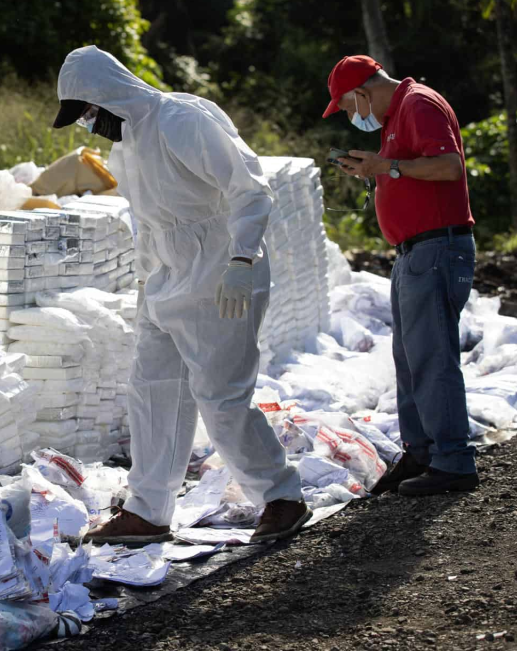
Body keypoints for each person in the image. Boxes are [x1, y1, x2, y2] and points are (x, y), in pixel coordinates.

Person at [51, 46, 309, 544]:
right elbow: (150, 225)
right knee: (152, 390)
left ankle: (283, 497)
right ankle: (148, 510)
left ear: (109, 94)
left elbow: (249, 190)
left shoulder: (180, 120)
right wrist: (146, 283)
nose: (90, 124)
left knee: (221, 395)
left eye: (88, 112)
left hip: (220, 272)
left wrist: (242, 259)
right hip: (165, 278)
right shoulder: (127, 147)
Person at [322, 55, 478, 496]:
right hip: (415, 252)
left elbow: (448, 166)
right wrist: (376, 168)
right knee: (410, 359)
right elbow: (407, 170)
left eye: (348, 108)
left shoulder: (418, 105)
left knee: (432, 357)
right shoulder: (396, 115)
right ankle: (421, 452)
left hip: (436, 248)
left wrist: (388, 166)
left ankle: (453, 461)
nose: (353, 117)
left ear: (361, 92)